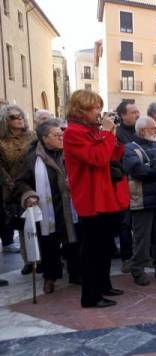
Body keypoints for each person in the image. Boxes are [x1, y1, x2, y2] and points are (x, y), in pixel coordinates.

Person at [63, 89, 129, 308]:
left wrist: (113, 136)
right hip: (90, 199)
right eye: (95, 108)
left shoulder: (92, 131)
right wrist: (108, 135)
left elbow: (113, 155)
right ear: (81, 110)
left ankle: (104, 286)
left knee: (104, 248)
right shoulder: (73, 132)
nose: (98, 113)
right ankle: (91, 297)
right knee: (92, 251)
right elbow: (98, 158)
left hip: (104, 197)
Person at [13, 119, 81, 293]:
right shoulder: (32, 157)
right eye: (56, 135)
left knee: (73, 241)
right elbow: (20, 182)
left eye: (61, 134)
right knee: (49, 243)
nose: (61, 137)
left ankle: (76, 274)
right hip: (47, 207)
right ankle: (50, 277)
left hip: (69, 205)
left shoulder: (68, 153)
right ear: (44, 138)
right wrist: (29, 195)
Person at [123, 116, 156, 286]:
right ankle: (138, 269)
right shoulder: (130, 148)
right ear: (142, 130)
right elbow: (138, 171)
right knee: (142, 239)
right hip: (141, 200)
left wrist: (153, 167)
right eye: (153, 128)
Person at [0, 105, 36, 278]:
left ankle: (42, 257)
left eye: (21, 115)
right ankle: (28, 260)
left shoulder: (33, 137)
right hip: (11, 188)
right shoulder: (1, 141)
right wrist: (10, 184)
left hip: (33, 184)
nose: (20, 118)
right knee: (23, 225)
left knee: (39, 221)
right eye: (15, 116)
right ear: (6, 121)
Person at [114, 100, 139, 273]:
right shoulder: (117, 133)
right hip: (124, 181)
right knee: (125, 222)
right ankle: (126, 258)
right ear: (123, 115)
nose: (137, 115)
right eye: (133, 112)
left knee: (142, 222)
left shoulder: (141, 130)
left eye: (137, 112)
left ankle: (143, 255)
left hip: (142, 181)